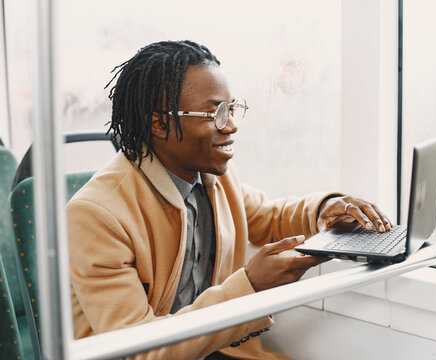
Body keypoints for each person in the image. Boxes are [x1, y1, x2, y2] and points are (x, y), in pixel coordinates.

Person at [66, 40, 392, 360]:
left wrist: (325, 209)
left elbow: (268, 216)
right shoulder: (94, 216)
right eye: (216, 113)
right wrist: (249, 286)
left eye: (232, 109)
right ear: (160, 123)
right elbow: (141, 352)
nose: (232, 125)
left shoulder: (214, 175)